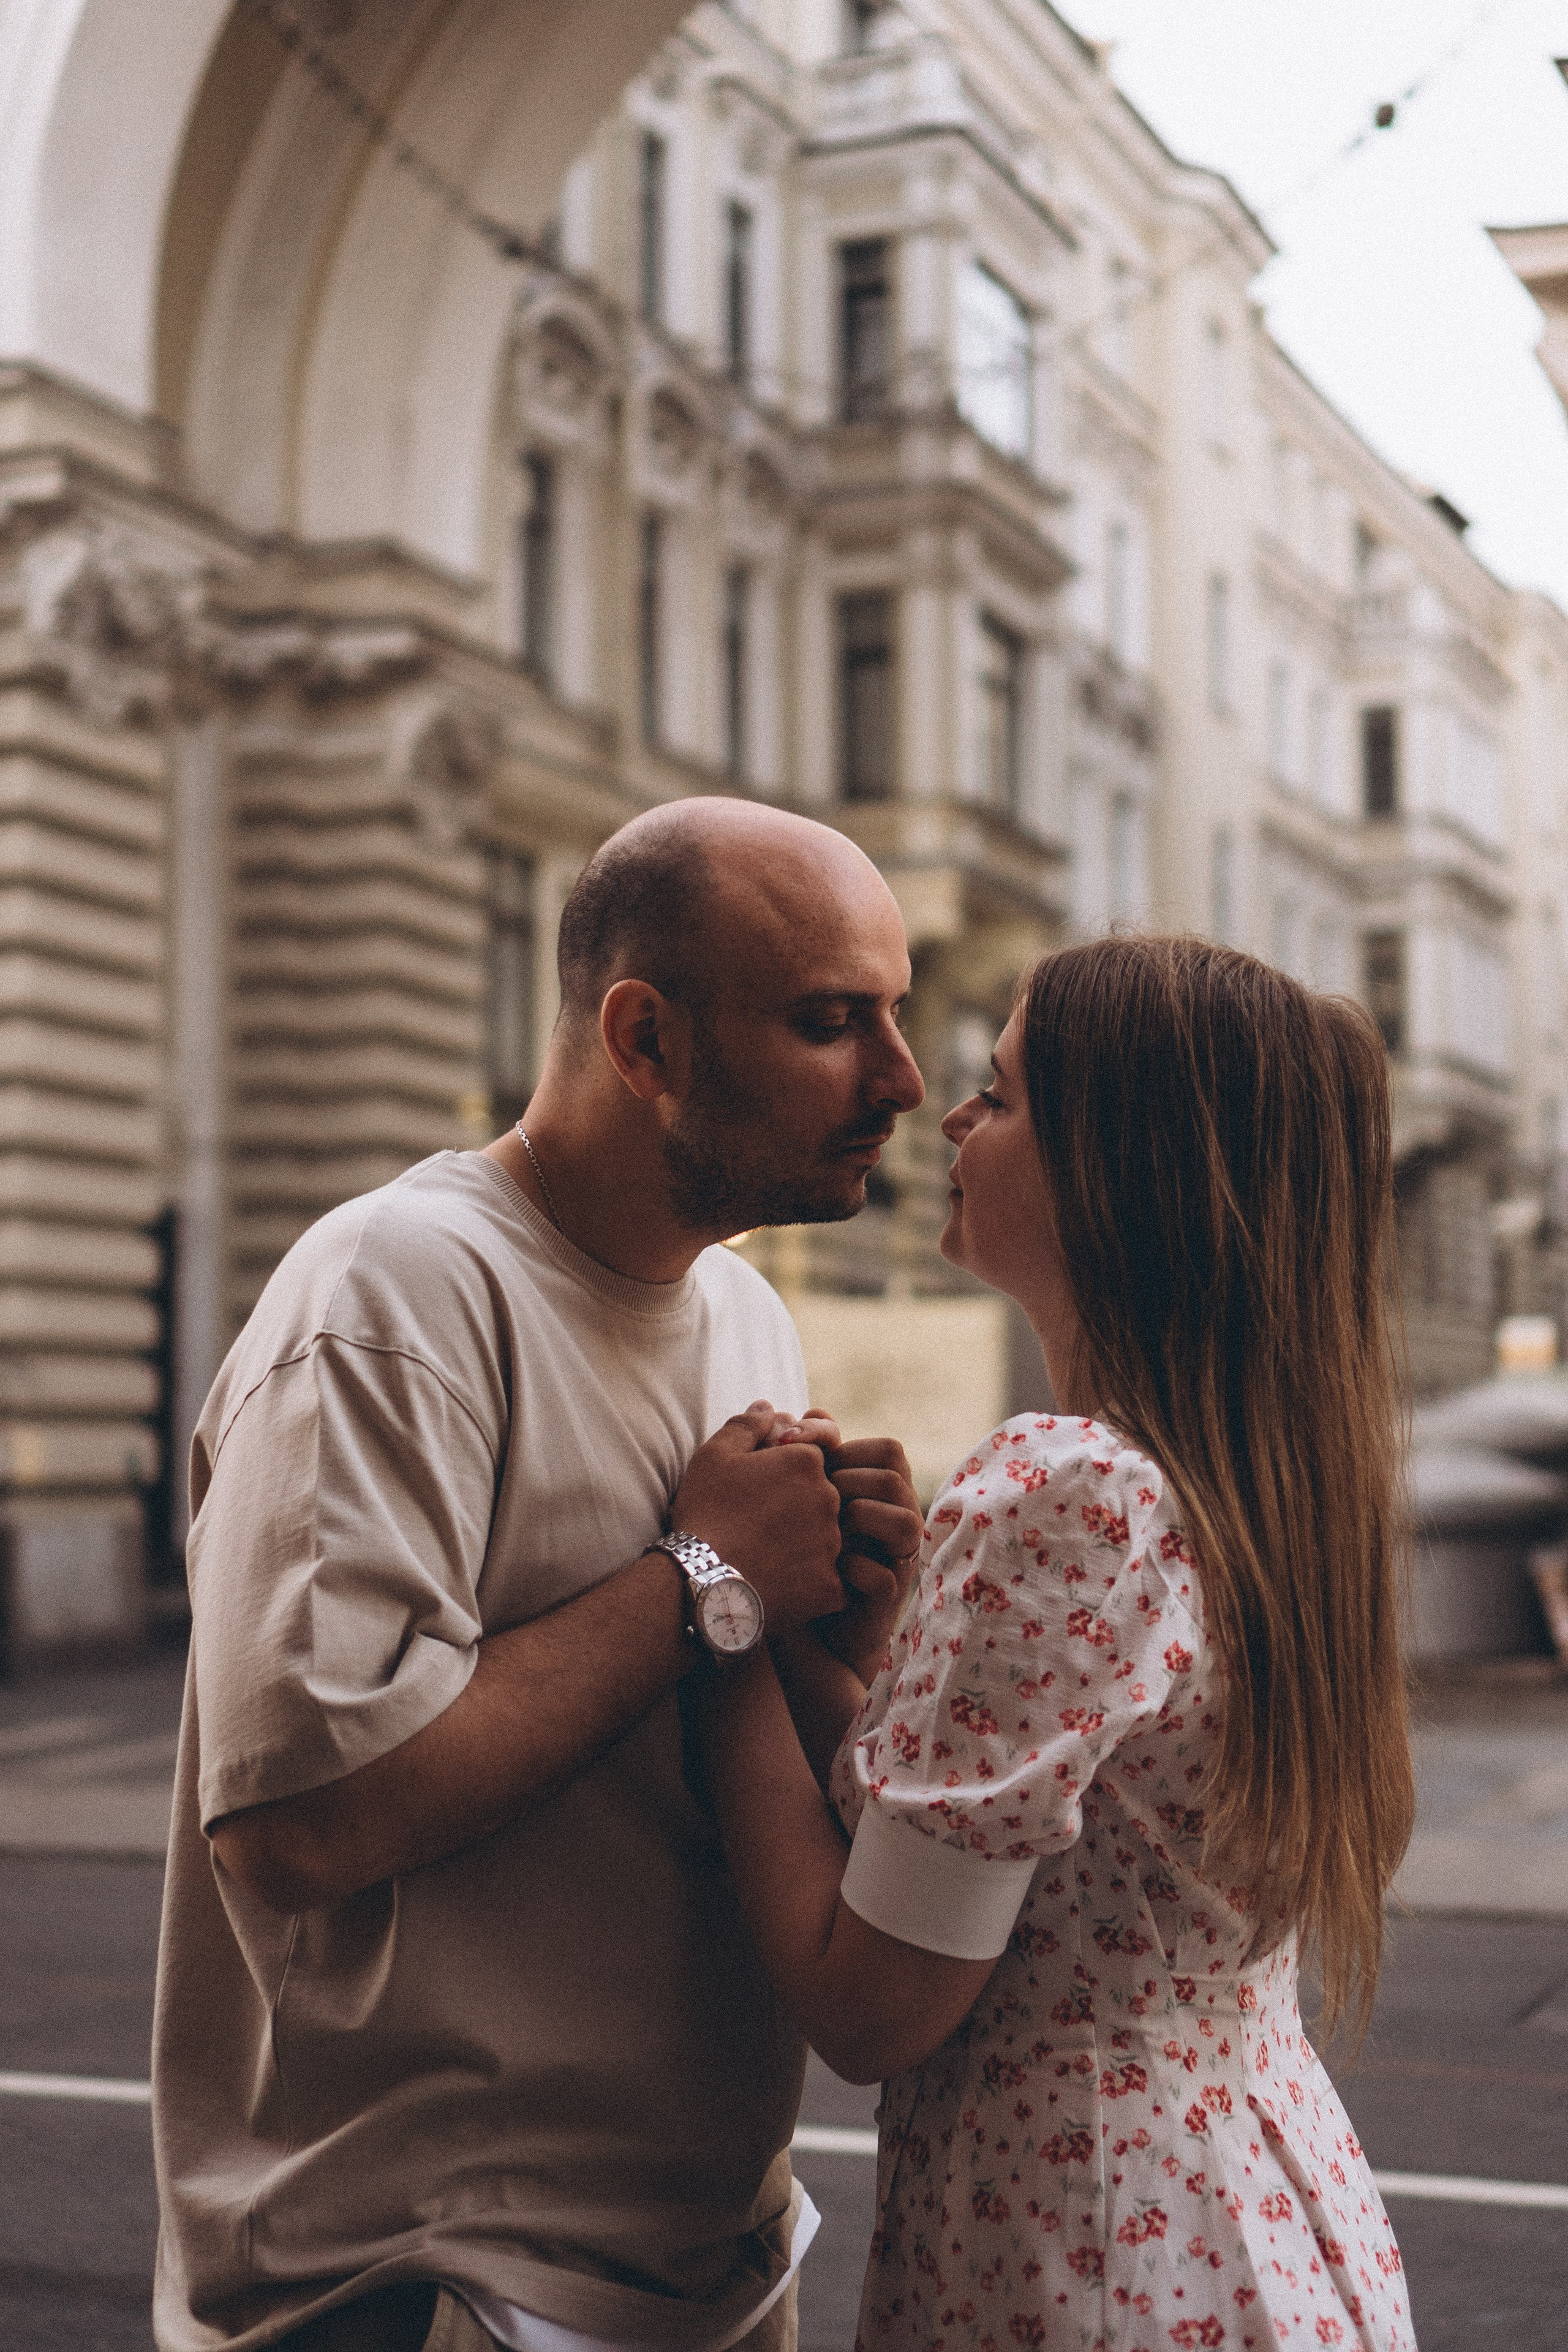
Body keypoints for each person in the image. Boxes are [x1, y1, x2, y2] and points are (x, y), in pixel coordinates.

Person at [150, 797, 928, 2352]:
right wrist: (706, 1571)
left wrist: (843, 1632)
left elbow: (724, 1725)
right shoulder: (395, 1292)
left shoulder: (745, 1315)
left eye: (892, 1022)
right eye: (832, 1023)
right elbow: (299, 1822)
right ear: (644, 1040)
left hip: (709, 2260)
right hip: (422, 2277)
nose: (899, 1082)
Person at [699, 935, 1419, 2352]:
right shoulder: (1243, 1482)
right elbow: (1061, 1876)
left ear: (1121, 1166)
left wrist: (716, 1600)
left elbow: (872, 2002)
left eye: (1000, 1091)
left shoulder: (1064, 1484)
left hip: (1084, 2246)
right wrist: (844, 1659)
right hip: (1256, 2224)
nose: (949, 1117)